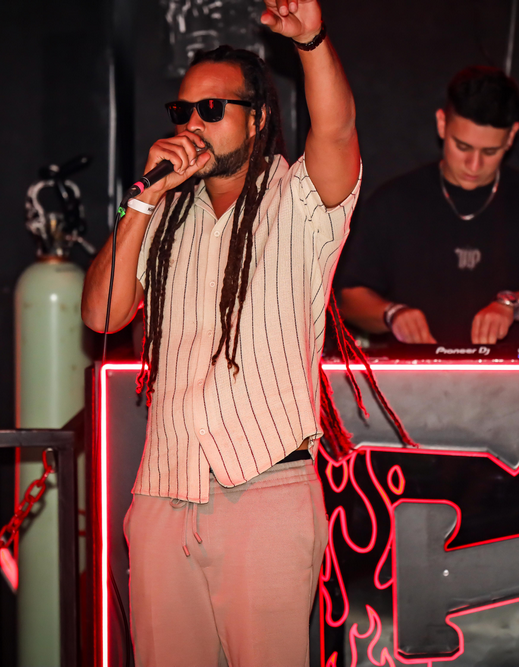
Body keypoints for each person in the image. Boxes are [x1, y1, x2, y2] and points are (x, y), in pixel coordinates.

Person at [80, 0, 360, 663]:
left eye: (212, 109)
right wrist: (144, 198)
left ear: (257, 119)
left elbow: (338, 128)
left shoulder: (299, 200)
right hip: (163, 491)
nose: (193, 124)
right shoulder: (164, 215)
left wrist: (312, 41)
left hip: (263, 490)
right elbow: (101, 315)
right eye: (183, 111)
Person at [336, 66, 519, 347]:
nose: (474, 165)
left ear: (511, 136)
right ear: (442, 124)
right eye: (462, 147)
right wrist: (392, 314)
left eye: (490, 152)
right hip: (417, 372)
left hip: (514, 373)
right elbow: (348, 298)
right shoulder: (392, 203)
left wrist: (513, 304)